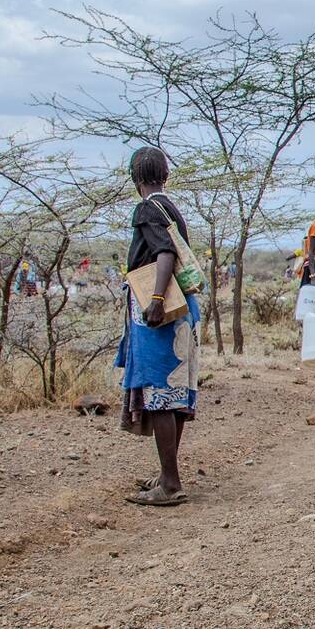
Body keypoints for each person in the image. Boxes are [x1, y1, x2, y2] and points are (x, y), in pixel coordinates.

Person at [114, 146, 203, 507]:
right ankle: (168, 474)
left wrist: (154, 300)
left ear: (135, 178)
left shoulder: (147, 208)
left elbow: (164, 252)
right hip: (183, 308)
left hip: (162, 310)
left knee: (161, 395)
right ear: (166, 174)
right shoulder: (171, 208)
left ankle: (169, 483)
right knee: (173, 395)